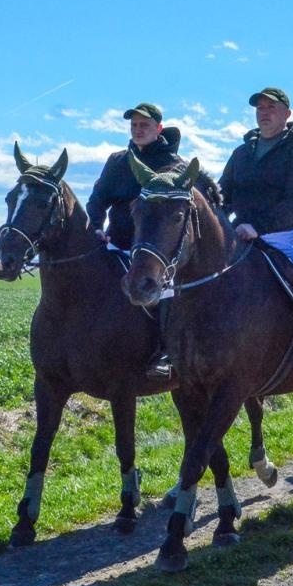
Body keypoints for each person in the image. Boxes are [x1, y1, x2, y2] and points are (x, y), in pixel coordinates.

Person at [219, 86, 293, 375]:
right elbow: (223, 193)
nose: (264, 113)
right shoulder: (242, 153)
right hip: (239, 232)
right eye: (260, 108)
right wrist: (222, 223)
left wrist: (258, 227)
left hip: (285, 233)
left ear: (286, 113)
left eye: (271, 107)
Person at [85, 101, 185, 378]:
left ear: (159, 128)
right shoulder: (117, 162)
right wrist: (95, 226)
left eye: (145, 125)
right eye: (134, 125)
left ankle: (165, 351)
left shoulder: (173, 165)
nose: (138, 130)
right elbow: (97, 200)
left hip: (157, 252)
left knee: (169, 288)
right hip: (117, 243)